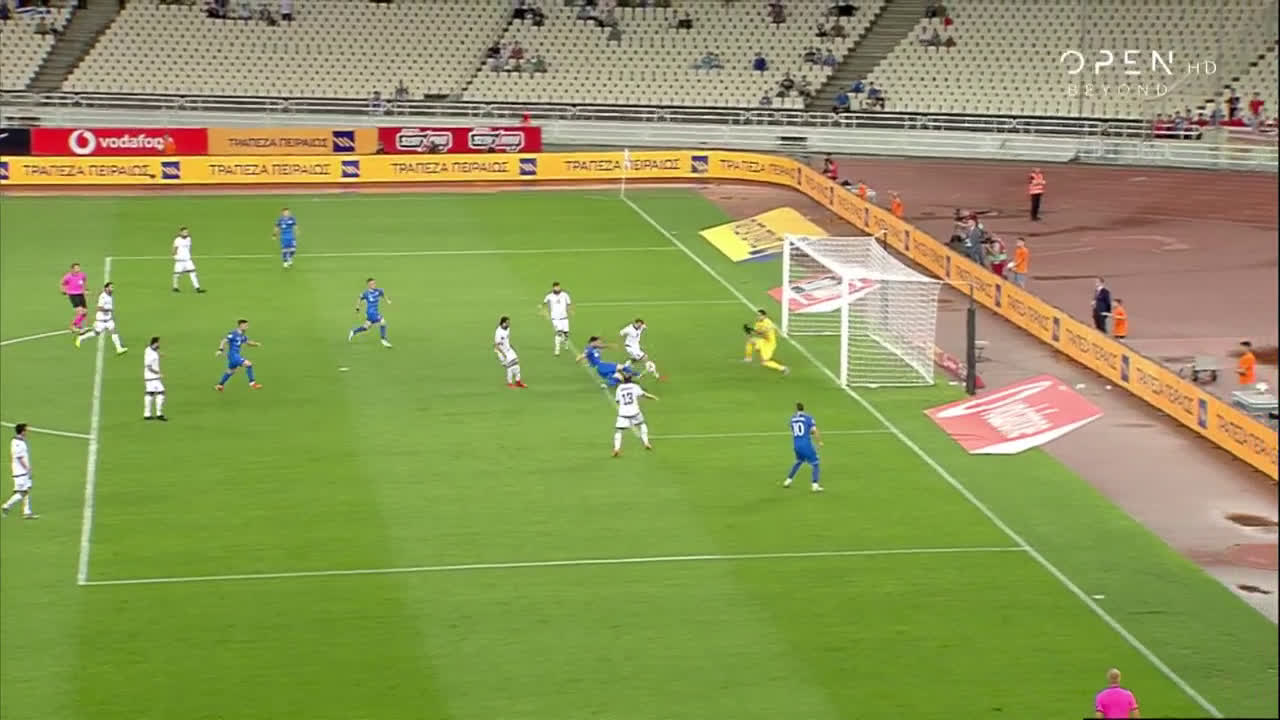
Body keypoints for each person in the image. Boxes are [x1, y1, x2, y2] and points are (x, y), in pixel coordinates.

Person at [612, 371, 657, 457]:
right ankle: (646, 442)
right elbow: (644, 395)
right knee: (642, 424)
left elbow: (617, 401)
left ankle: (616, 448)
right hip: (635, 411)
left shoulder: (619, 388)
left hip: (623, 413)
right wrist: (653, 397)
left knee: (619, 431)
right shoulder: (634, 386)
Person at [75, 282, 127, 355]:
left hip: (108, 320)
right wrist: (108, 310)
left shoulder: (110, 295)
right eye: (111, 287)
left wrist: (111, 314)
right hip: (101, 320)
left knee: (114, 331)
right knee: (96, 333)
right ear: (106, 288)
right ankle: (81, 338)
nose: (112, 289)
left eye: (113, 287)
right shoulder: (103, 297)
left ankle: (119, 348)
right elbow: (99, 308)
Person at [784, 402, 823, 492]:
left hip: (796, 445)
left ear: (796, 409)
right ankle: (815, 485)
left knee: (799, 461)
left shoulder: (792, 419)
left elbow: (796, 430)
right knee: (816, 463)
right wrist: (819, 442)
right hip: (806, 445)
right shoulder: (808, 418)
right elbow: (814, 431)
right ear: (803, 408)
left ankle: (788, 481)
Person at [215, 319, 262, 391]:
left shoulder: (242, 335)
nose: (247, 327)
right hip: (233, 355)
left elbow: (248, 342)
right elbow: (224, 340)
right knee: (249, 364)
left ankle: (220, 385)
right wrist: (220, 350)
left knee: (231, 370)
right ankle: (252, 384)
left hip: (234, 356)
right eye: (246, 325)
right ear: (241, 325)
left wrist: (256, 344)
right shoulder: (233, 334)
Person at [1, 423, 37, 519]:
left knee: (26, 489)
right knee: (22, 492)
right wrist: (27, 468)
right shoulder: (17, 443)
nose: (27, 432)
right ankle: (6, 505)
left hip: (22, 472)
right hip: (20, 472)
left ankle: (27, 512)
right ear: (22, 431)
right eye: (26, 430)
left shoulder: (19, 441)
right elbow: (19, 457)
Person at [349, 278, 392, 348]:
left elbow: (383, 294)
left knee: (366, 327)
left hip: (374, 312)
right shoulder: (366, 293)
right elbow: (359, 298)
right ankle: (383, 339)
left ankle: (353, 331)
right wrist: (357, 307)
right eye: (372, 284)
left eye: (374, 283)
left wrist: (387, 300)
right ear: (368, 285)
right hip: (371, 312)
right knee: (383, 322)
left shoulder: (379, 291)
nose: (374, 285)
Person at [744, 309, 789, 375]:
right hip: (764, 341)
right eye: (757, 315)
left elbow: (762, 332)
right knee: (750, 341)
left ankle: (783, 368)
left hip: (769, 344)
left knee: (765, 362)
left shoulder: (767, 322)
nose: (758, 317)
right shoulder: (758, 323)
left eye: (760, 315)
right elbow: (757, 332)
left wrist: (751, 329)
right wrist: (748, 331)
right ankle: (748, 358)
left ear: (764, 316)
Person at [541, 281, 572, 356]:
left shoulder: (565, 294)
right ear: (553, 288)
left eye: (558, 287)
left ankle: (565, 341)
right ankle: (557, 349)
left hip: (564, 317)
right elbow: (544, 304)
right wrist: (544, 312)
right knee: (559, 332)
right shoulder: (549, 295)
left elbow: (569, 303)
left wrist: (570, 311)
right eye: (556, 287)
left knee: (566, 333)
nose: (557, 288)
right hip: (555, 318)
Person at [494, 316, 526, 388]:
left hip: (509, 349)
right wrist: (503, 354)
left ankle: (518, 382)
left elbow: (507, 340)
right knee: (510, 366)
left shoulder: (507, 329)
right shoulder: (498, 333)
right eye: (507, 323)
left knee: (516, 364)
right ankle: (510, 383)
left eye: (509, 322)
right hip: (502, 352)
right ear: (503, 323)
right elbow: (496, 346)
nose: (509, 324)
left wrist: (512, 347)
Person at [171, 226, 205, 293]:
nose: (186, 233)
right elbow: (174, 249)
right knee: (177, 275)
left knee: (193, 273)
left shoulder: (189, 239)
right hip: (180, 261)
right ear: (180, 233)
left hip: (188, 260)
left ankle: (197, 288)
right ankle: (175, 287)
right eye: (184, 232)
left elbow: (188, 248)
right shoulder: (177, 240)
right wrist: (174, 256)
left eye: (187, 232)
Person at [143, 336, 167, 421]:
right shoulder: (151, 355)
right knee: (161, 393)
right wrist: (159, 374)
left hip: (149, 377)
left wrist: (159, 354)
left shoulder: (148, 349)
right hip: (153, 377)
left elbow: (148, 346)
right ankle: (159, 414)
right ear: (155, 343)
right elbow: (149, 367)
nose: (159, 344)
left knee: (150, 393)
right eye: (158, 343)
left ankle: (147, 414)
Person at [60, 262, 88, 333]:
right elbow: (62, 283)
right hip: (73, 295)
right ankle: (72, 326)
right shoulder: (68, 276)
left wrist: (85, 289)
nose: (78, 269)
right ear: (72, 269)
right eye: (76, 268)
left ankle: (78, 325)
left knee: (85, 312)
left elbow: (84, 281)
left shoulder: (82, 275)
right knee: (80, 312)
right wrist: (63, 290)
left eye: (79, 267)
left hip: (81, 294)